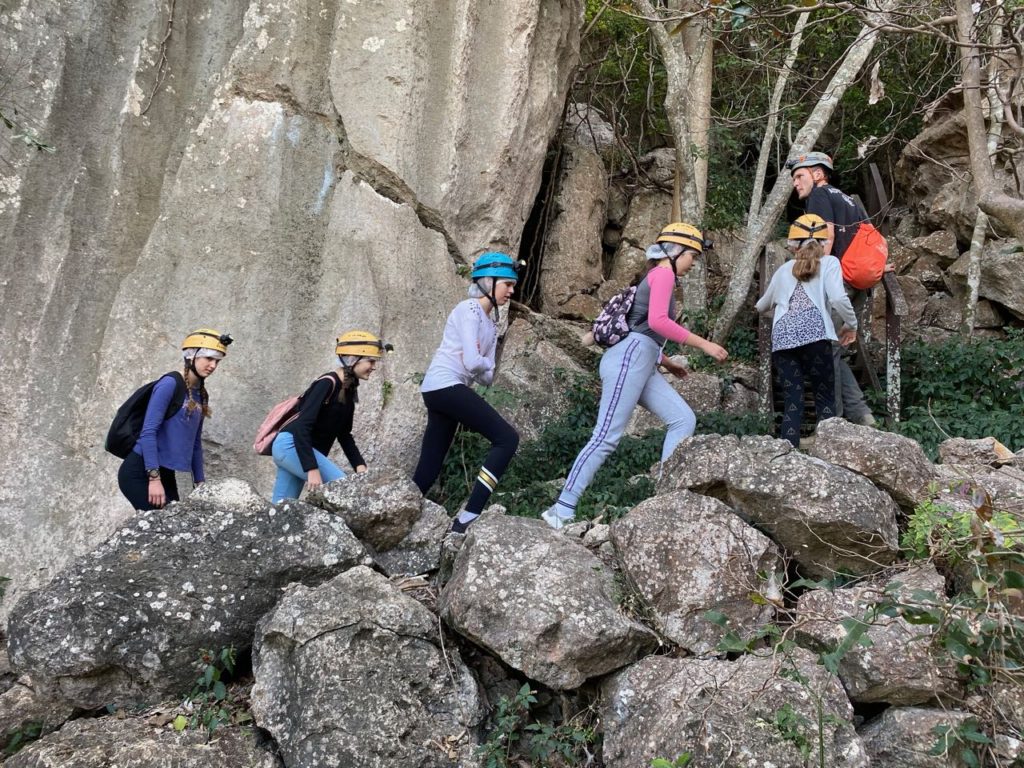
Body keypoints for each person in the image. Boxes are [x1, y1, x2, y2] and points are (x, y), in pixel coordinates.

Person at [541, 222, 729, 530]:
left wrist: (667, 362)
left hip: (641, 358)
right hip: (629, 359)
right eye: (691, 256)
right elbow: (657, 322)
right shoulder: (664, 273)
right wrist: (704, 344)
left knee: (683, 419)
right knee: (606, 436)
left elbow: (643, 328)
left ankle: (667, 498)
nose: (693, 263)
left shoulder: (657, 276)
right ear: (675, 251)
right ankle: (560, 510)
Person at [412, 252, 521, 534]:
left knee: (431, 461)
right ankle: (468, 516)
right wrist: (479, 362)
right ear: (488, 281)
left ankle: (402, 513)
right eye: (507, 284)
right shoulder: (468, 310)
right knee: (507, 439)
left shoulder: (490, 323)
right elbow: (478, 365)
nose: (512, 290)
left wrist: (477, 362)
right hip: (446, 385)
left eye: (513, 285)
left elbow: (486, 377)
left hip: (442, 388)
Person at [789, 151, 876, 426]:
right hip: (859, 280)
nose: (796, 183)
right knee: (833, 348)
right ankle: (862, 414)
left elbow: (826, 236)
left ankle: (832, 422)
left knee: (826, 349)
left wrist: (815, 273)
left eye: (800, 175)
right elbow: (869, 236)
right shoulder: (848, 199)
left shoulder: (820, 195)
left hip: (839, 279)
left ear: (818, 174)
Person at [755, 214, 858, 447]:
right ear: (823, 244)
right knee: (824, 396)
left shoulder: (783, 270)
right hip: (816, 335)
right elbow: (839, 298)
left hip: (783, 338)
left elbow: (761, 305)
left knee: (793, 398)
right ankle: (830, 449)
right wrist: (851, 325)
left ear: (792, 245)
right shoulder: (829, 263)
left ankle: (786, 450)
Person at [118, 328, 231, 510]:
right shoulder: (170, 384)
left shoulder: (201, 395)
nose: (213, 366)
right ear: (191, 356)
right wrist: (154, 479)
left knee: (176, 526)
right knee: (163, 527)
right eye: (208, 358)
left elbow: (195, 443)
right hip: (140, 471)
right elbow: (148, 433)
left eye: (217, 361)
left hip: (166, 473)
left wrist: (200, 483)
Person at [270, 331, 390, 503]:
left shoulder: (348, 390)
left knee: (280, 507)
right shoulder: (326, 383)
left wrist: (360, 467)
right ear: (352, 359)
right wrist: (312, 468)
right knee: (344, 489)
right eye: (370, 361)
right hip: (290, 446)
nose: (373, 366)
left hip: (299, 451)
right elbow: (302, 425)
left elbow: (344, 435)